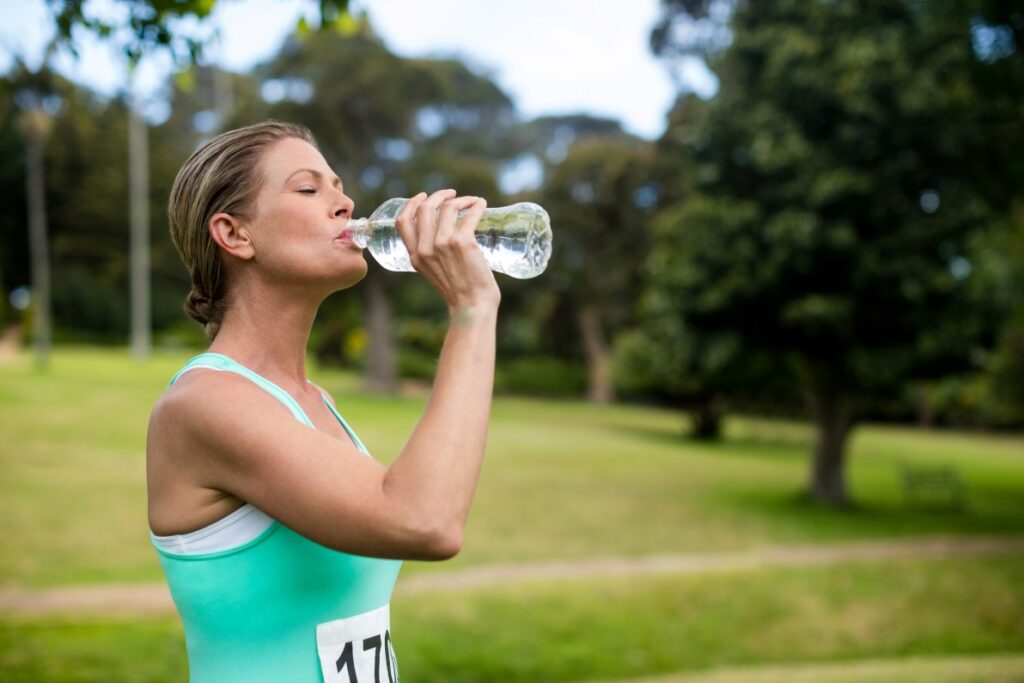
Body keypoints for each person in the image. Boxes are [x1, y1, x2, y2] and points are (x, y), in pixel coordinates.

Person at [146, 120, 500, 682]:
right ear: (235, 235)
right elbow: (425, 520)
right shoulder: (205, 405)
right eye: (309, 189)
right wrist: (472, 307)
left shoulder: (314, 401)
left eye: (339, 186)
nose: (345, 203)